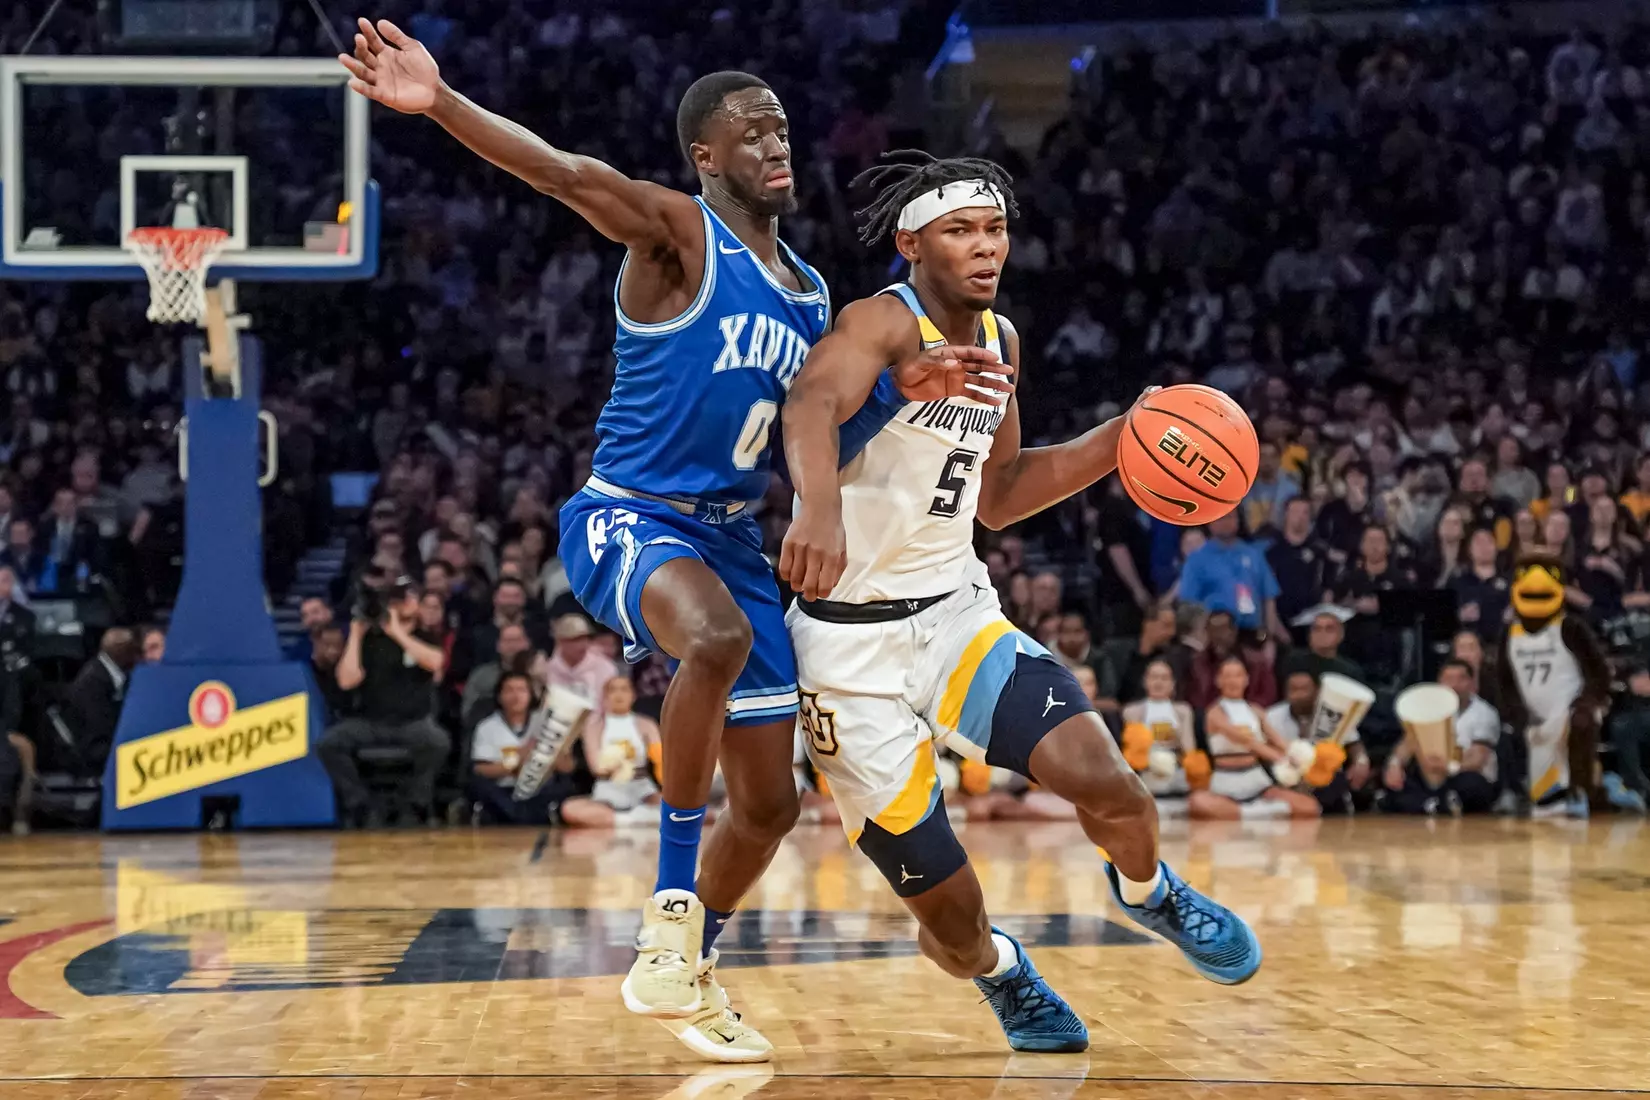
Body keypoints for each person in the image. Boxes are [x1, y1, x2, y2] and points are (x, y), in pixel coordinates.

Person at [340, 22, 1006, 1062]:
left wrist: (894, 397)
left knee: (774, 802)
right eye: (753, 132)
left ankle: (686, 973)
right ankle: (667, 913)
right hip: (629, 514)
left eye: (783, 128)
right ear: (706, 156)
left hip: (732, 536)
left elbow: (809, 430)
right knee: (713, 640)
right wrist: (443, 104)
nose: (778, 143)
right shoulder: (679, 236)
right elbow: (566, 174)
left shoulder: (811, 293)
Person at [779, 151, 1260, 1056]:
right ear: (911, 242)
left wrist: (1122, 437)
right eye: (961, 230)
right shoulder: (881, 322)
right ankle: (1004, 973)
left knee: (1108, 782)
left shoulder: (1000, 340)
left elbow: (998, 494)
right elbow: (808, 403)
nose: (985, 246)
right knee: (952, 922)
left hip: (954, 613)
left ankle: (1149, 892)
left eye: (995, 228)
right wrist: (816, 507)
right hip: (845, 656)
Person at [316, 575, 449, 827]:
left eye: (409, 598)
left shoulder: (425, 636)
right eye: (398, 599)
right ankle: (361, 804)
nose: (403, 603)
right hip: (369, 721)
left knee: (438, 742)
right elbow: (346, 681)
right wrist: (355, 636)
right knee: (328, 744)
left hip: (413, 722)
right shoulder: (370, 640)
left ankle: (413, 804)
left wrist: (398, 633)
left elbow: (435, 662)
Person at [1190, 656, 1321, 820]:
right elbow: (1247, 742)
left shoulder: (1256, 711)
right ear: (1218, 680)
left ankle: (1245, 814)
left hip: (1256, 779)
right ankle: (1254, 814)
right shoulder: (1215, 712)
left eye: (1238, 675)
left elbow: (1278, 741)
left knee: (1310, 806)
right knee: (1198, 802)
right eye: (1227, 676)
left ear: (1246, 680)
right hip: (1225, 781)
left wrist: (1303, 756)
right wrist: (1282, 759)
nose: (1233, 681)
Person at [1383, 660, 1500, 815]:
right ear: (1440, 682)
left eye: (1461, 679)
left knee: (1472, 785)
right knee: (1395, 782)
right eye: (1449, 679)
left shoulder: (1484, 714)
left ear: (1471, 683)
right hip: (1429, 774)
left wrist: (1447, 766)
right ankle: (1434, 803)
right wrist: (1394, 765)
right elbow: (1407, 743)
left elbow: (1478, 758)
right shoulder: (1427, 709)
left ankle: (1430, 804)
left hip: (1463, 773)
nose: (1455, 685)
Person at [561, 676, 664, 828]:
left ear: (633, 695)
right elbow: (596, 767)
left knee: (685, 809)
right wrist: (616, 765)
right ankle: (634, 819)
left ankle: (627, 818)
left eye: (624, 689)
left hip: (642, 787)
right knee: (570, 809)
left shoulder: (646, 724)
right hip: (608, 788)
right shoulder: (594, 727)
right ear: (604, 697)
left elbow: (660, 760)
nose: (619, 695)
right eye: (613, 690)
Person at [469, 670, 565, 825]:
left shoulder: (544, 723)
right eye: (509, 690)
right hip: (503, 788)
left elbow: (567, 767)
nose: (516, 696)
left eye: (522, 690)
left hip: (539, 788)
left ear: (531, 695)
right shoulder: (487, 726)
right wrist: (517, 760)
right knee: (483, 788)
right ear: (499, 696)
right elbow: (480, 769)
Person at [1177, 511, 1287, 638]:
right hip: (1213, 636)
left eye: (1230, 517)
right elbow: (1189, 605)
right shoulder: (1196, 560)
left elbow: (1268, 599)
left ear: (1238, 520)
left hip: (1253, 635)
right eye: (1220, 518)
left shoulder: (1254, 554)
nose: (1225, 522)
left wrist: (1270, 637)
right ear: (1209, 522)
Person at [1119, 659, 1196, 812]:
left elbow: (1189, 748)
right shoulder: (1132, 711)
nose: (1158, 682)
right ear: (1145, 681)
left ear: (1172, 683)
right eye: (1153, 677)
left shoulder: (1183, 711)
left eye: (1164, 678)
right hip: (1147, 773)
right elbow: (1133, 753)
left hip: (1175, 770)